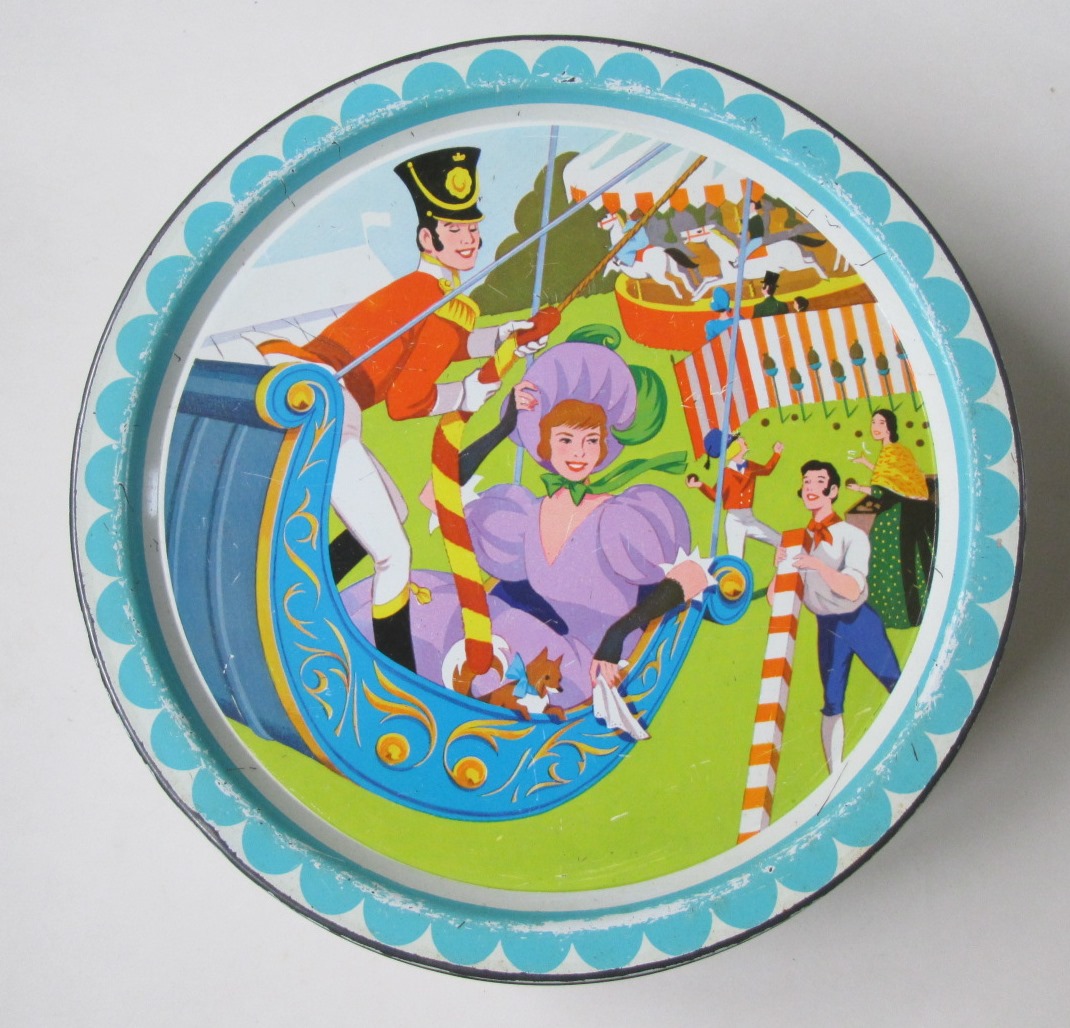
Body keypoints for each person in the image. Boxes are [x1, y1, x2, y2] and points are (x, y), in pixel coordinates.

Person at [258, 147, 546, 670]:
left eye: (472, 229)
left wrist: (506, 334)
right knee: (395, 555)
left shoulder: (425, 291)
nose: (470, 240)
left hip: (322, 402)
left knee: (396, 513)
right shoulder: (434, 300)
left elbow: (439, 346)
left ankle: (296, 602)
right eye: (455, 231)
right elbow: (406, 401)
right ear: (427, 239)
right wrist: (464, 395)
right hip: (327, 411)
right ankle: (396, 673)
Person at [340, 341, 711, 710]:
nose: (579, 452)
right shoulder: (524, 514)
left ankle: (399, 699)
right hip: (527, 637)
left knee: (482, 632)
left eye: (591, 440)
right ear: (545, 442)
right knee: (427, 602)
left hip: (581, 665)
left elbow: (691, 576)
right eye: (565, 439)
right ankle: (363, 679)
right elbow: (440, 491)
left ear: (604, 445)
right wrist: (503, 428)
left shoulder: (625, 516)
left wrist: (618, 634)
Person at [773, 460, 900, 774]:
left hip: (859, 622)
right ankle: (833, 777)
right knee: (832, 703)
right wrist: (780, 569)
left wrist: (817, 566)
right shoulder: (796, 541)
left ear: (832, 491)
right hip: (828, 628)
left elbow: (852, 589)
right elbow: (777, 600)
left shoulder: (849, 535)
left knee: (896, 683)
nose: (810, 488)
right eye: (806, 481)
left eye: (818, 482)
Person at [846, 409, 935, 627]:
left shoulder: (892, 453)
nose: (875, 427)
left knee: (893, 567)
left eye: (881, 422)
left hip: (897, 520)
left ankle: (900, 615)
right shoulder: (896, 451)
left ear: (889, 427)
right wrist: (866, 464)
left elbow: (884, 491)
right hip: (909, 513)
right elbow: (893, 478)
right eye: (873, 422)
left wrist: (859, 488)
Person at [687, 431, 784, 560]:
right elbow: (716, 496)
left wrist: (777, 453)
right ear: (734, 448)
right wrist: (700, 485)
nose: (743, 439)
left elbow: (766, 470)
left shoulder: (749, 466)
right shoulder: (727, 473)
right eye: (738, 440)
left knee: (781, 540)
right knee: (736, 561)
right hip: (734, 521)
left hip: (749, 518)